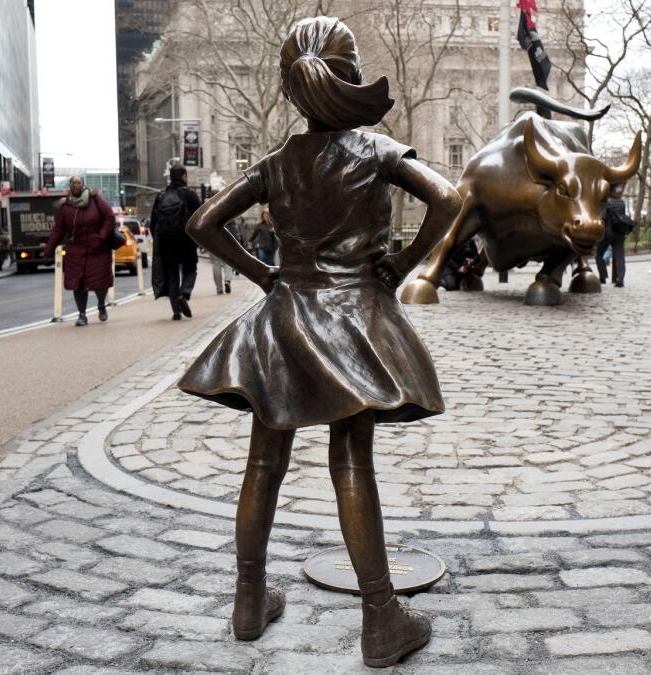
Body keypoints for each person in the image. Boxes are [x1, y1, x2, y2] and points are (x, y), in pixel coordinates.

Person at [179, 16, 460, 667]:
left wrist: (264, 275)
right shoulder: (377, 151)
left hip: (282, 321)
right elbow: (448, 199)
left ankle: (249, 602)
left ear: (292, 87)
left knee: (263, 463)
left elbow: (202, 221)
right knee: (351, 462)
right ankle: (381, 617)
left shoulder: (279, 163)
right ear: (351, 76)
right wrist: (404, 263)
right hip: (351, 320)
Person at [43, 175, 116, 326]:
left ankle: (101, 304)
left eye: (79, 183)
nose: (76, 185)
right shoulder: (65, 207)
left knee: (100, 283)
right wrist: (49, 250)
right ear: (70, 186)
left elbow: (109, 218)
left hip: (97, 249)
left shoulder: (95, 199)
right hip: (76, 250)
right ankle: (82, 315)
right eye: (73, 183)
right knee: (78, 284)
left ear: (83, 185)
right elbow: (58, 230)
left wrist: (101, 236)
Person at [150, 165, 203, 319]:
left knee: (172, 275)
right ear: (184, 177)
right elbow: (200, 219)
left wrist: (159, 240)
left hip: (167, 243)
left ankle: (176, 311)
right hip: (186, 241)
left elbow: (154, 224)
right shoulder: (191, 196)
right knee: (190, 270)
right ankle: (184, 294)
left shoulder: (161, 196)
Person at [604, 196, 633, 287]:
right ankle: (620, 279)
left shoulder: (607, 203)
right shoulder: (622, 203)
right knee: (620, 257)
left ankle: (603, 277)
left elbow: (604, 217)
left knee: (600, 253)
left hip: (609, 232)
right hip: (620, 232)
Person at [212, 219, 240, 294]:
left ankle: (219, 288)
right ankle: (227, 280)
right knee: (228, 264)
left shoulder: (209, 212)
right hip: (226, 242)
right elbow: (234, 230)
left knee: (216, 264)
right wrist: (236, 243)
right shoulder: (227, 213)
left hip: (213, 243)